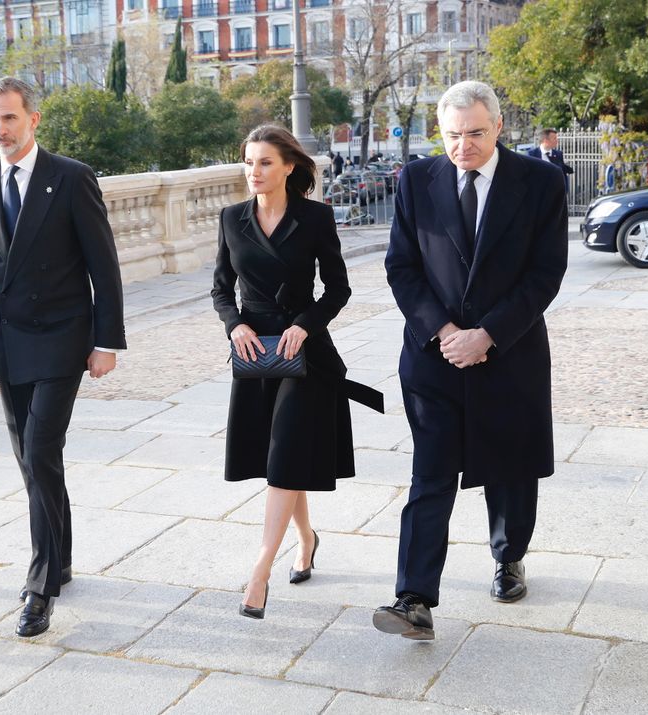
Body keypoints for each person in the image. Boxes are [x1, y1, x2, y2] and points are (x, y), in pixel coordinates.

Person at [374, 81, 567, 640]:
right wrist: (445, 331)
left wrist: (488, 334)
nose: (463, 146)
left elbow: (545, 274)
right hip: (434, 357)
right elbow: (401, 267)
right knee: (430, 474)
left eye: (476, 133)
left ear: (500, 127)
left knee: (511, 466)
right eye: (453, 135)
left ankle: (508, 558)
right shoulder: (416, 179)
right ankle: (413, 598)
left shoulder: (540, 182)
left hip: (511, 351)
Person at [0, 77, 126, 638]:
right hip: (10, 342)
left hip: (64, 337)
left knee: (41, 447)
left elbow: (103, 263)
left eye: (10, 118)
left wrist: (106, 341)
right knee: (32, 458)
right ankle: (61, 556)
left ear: (33, 119)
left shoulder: (70, 177)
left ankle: (41, 582)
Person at [213, 124, 358, 620]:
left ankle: (260, 570)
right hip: (255, 357)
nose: (254, 171)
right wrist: (235, 327)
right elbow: (219, 290)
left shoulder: (316, 218)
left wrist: (304, 325)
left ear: (289, 166)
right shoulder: (231, 218)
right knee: (282, 461)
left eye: (265, 162)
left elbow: (338, 290)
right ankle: (306, 538)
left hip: (305, 356)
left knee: (286, 452)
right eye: (249, 162)